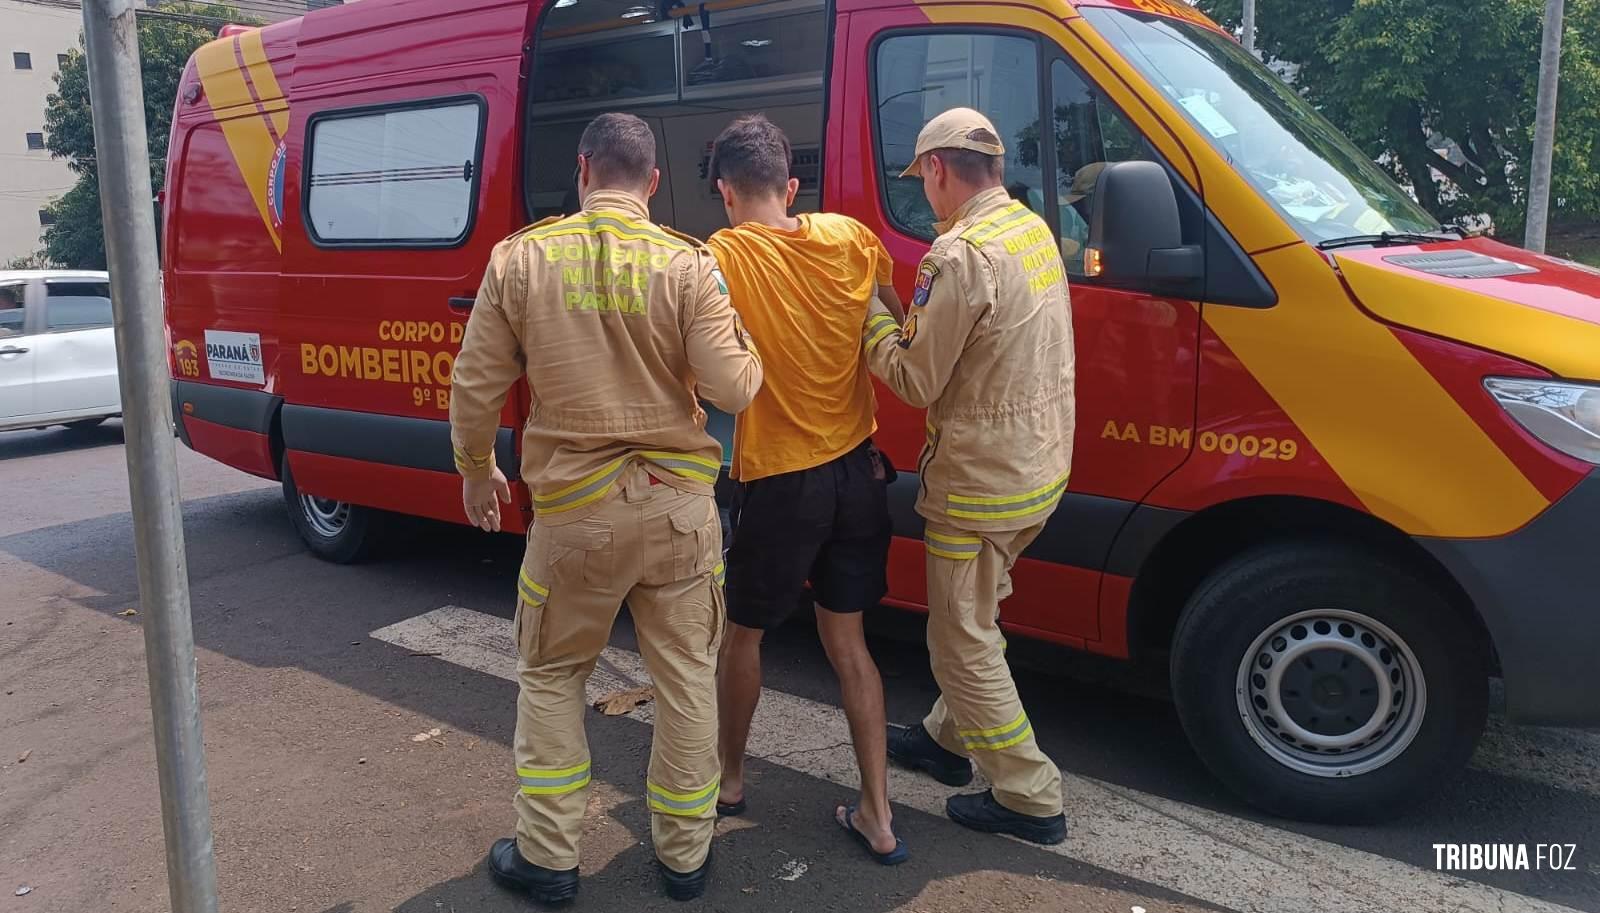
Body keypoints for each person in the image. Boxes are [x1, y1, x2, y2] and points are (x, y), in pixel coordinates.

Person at [449, 112, 763, 904]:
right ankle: (686, 857)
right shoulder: (689, 265)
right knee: (688, 678)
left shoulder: (519, 260)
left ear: (584, 170)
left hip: (574, 517)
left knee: (553, 676)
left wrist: (477, 470)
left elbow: (474, 386)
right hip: (678, 515)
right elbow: (733, 388)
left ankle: (549, 858)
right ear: (654, 184)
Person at [861, 107, 1074, 845]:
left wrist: (867, 316)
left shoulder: (958, 257)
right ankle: (949, 742)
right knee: (977, 610)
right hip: (1038, 466)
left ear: (939, 169)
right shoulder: (1030, 229)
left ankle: (1028, 791)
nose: (926, 196)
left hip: (981, 483)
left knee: (960, 637)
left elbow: (916, 379)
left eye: (924, 180)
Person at [702, 115, 911, 865]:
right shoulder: (852, 237)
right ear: (790, 186)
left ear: (726, 192)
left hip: (780, 482)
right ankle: (879, 815)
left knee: (745, 636)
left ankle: (729, 781)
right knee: (849, 644)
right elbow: (886, 320)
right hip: (859, 472)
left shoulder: (720, 255)